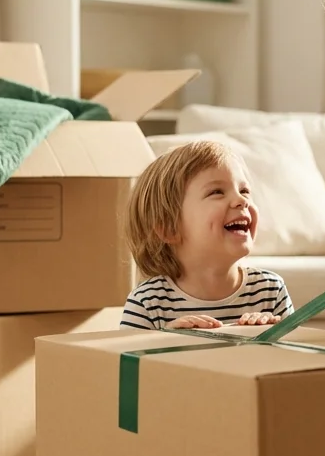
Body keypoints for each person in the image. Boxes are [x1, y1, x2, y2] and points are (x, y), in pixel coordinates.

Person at [120, 140, 293, 330]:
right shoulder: (147, 303)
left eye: (244, 190)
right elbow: (121, 360)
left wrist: (272, 334)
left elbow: (296, 358)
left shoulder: (270, 291)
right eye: (217, 192)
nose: (241, 200)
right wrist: (165, 340)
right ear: (169, 228)